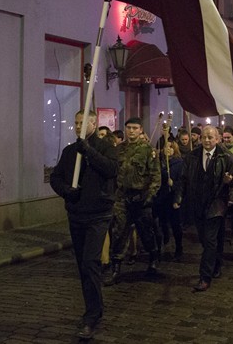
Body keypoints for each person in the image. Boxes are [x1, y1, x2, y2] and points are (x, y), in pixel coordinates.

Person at [50, 110, 117, 339]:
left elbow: (111, 169)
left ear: (93, 123)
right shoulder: (69, 152)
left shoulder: (105, 147)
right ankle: (94, 307)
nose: (78, 126)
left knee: (90, 263)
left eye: (82, 122)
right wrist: (66, 192)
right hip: (76, 214)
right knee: (83, 266)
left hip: (98, 215)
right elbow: (56, 178)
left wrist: (88, 151)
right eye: (75, 122)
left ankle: (92, 315)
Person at [176, 126, 233, 291]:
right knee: (204, 239)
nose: (207, 140)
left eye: (211, 137)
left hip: (216, 204)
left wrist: (230, 181)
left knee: (210, 240)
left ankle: (205, 277)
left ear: (217, 139)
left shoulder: (226, 157)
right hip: (197, 203)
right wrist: (179, 197)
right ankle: (216, 262)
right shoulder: (192, 156)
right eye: (204, 137)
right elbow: (183, 179)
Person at [105, 117, 161, 285]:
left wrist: (148, 197)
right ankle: (116, 269)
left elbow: (155, 177)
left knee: (146, 232)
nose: (131, 131)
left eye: (135, 128)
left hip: (141, 198)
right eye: (128, 127)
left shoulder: (148, 151)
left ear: (140, 130)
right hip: (122, 198)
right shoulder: (119, 150)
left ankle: (153, 259)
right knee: (119, 232)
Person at [154, 136, 184, 262]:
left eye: (171, 147)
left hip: (173, 197)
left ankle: (179, 247)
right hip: (161, 197)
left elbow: (183, 181)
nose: (168, 150)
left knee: (175, 224)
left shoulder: (179, 163)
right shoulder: (159, 162)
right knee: (162, 223)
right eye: (166, 147)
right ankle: (164, 244)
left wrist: (174, 185)